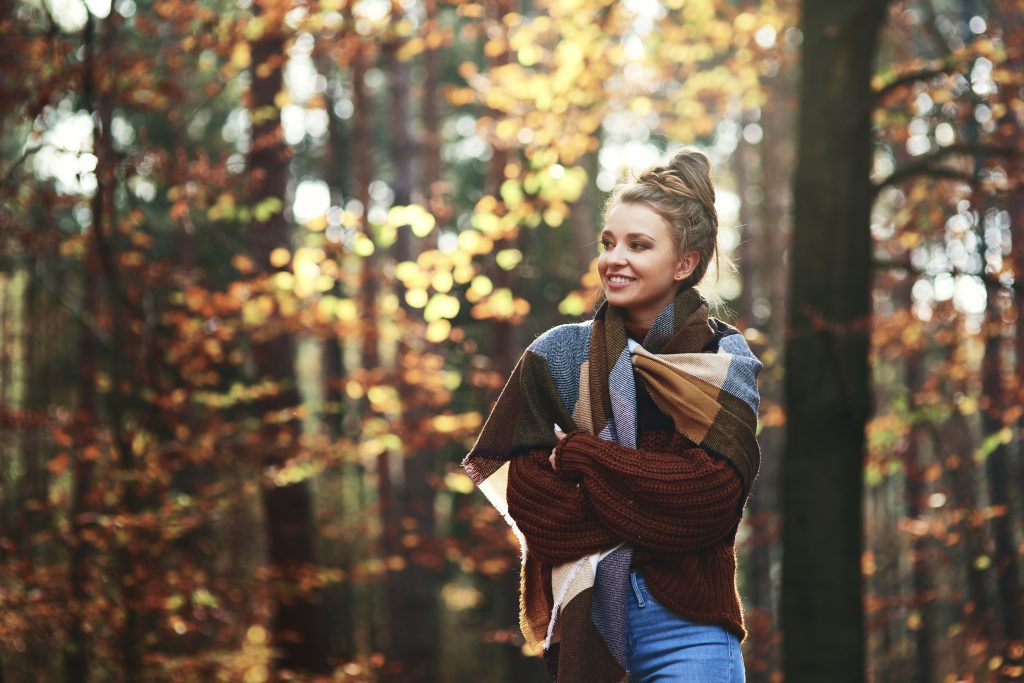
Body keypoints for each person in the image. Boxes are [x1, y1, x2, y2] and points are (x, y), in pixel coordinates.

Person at [463, 148, 762, 682]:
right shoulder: (557, 356)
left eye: (638, 245)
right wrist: (646, 504)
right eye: (608, 243)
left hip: (691, 630)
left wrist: (581, 456)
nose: (613, 259)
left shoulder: (723, 361)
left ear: (684, 263)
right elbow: (515, 485)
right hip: (586, 623)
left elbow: (709, 501)